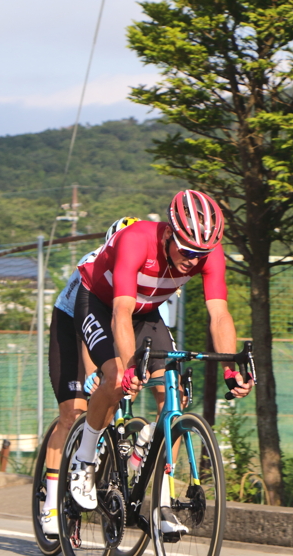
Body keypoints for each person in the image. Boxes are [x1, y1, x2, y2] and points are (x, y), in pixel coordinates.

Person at [68, 190, 253, 534]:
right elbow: (121, 312)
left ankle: (161, 501)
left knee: (175, 399)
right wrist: (124, 369)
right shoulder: (136, 241)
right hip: (100, 302)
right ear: (169, 233)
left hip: (147, 312)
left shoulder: (208, 256)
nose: (193, 261)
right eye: (186, 251)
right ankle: (84, 458)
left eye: (201, 255)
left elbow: (219, 315)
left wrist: (230, 368)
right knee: (114, 378)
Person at [38, 217, 139, 537]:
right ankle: (50, 503)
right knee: (72, 413)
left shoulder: (141, 273)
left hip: (112, 321)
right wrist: (94, 372)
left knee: (117, 393)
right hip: (71, 325)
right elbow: (87, 329)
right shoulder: (93, 263)